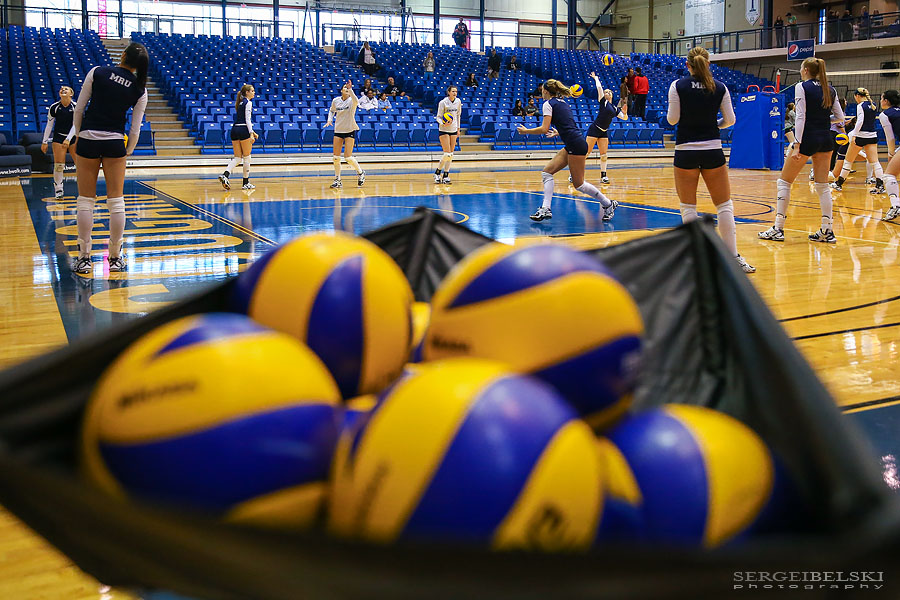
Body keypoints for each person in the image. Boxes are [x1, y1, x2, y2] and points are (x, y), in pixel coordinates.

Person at [667, 47, 753, 273]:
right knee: (724, 205)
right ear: (708, 63)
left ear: (688, 65)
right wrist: (714, 124)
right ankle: (733, 258)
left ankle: (695, 260)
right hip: (712, 150)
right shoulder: (720, 87)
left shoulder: (678, 85)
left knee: (688, 207)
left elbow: (672, 120)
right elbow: (731, 120)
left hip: (685, 150)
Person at [71, 42, 148, 275]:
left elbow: (79, 109)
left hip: (88, 138)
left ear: (123, 55)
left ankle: (84, 258)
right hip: (115, 141)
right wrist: (129, 149)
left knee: (86, 199)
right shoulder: (140, 88)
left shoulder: (98, 72)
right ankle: (115, 258)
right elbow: (135, 129)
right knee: (116, 201)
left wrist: (78, 136)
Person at [759, 57, 844, 244]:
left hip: (808, 138)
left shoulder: (802, 86)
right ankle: (827, 231)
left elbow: (801, 118)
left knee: (784, 182)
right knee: (822, 186)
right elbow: (840, 117)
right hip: (825, 139)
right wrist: (822, 121)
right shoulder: (830, 89)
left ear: (805, 70)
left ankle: (778, 229)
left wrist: (797, 144)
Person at [516, 79, 617, 222]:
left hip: (575, 145)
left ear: (545, 91)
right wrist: (559, 133)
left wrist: (526, 131)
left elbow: (544, 129)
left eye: (542, 91)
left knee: (579, 184)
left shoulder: (548, 104)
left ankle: (608, 203)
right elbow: (568, 124)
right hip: (574, 142)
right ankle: (545, 209)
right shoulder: (562, 102)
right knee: (547, 173)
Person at [832, 88, 884, 193]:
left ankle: (838, 184)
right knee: (875, 162)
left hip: (860, 136)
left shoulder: (860, 106)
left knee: (848, 161)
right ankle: (880, 186)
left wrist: (854, 135)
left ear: (857, 96)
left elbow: (860, 121)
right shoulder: (873, 104)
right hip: (872, 135)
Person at [585, 72, 627, 184]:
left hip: (603, 132)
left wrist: (625, 113)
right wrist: (596, 78)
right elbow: (599, 88)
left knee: (604, 155)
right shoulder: (603, 102)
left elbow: (624, 118)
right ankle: (573, 174)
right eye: (605, 92)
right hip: (594, 129)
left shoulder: (614, 108)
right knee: (586, 153)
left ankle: (603, 176)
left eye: (609, 92)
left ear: (612, 95)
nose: (607, 92)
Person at [325, 80, 365, 189]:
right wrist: (329, 120)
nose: (346, 89)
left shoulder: (352, 101)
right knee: (336, 157)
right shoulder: (336, 101)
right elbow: (331, 110)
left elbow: (356, 100)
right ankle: (337, 180)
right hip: (338, 130)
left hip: (350, 130)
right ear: (341, 90)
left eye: (348, 89)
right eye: (345, 88)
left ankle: (361, 173)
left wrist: (351, 89)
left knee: (348, 158)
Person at [219, 84, 258, 192]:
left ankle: (225, 174)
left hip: (235, 129)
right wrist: (250, 133)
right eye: (252, 91)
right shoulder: (248, 103)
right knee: (247, 157)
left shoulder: (240, 103)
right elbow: (247, 120)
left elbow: (241, 119)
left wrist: (252, 132)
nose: (254, 93)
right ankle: (246, 183)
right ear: (247, 93)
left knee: (237, 157)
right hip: (243, 130)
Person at [42, 85, 77, 199]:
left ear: (71, 94)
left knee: (81, 165)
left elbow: (76, 125)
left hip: (73, 137)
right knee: (59, 165)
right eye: (61, 89)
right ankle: (58, 190)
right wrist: (44, 141)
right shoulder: (54, 107)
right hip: (58, 137)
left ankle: (86, 190)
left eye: (66, 89)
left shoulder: (76, 107)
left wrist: (68, 139)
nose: (63, 89)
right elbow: (49, 125)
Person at [878, 90, 900, 220]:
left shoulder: (885, 114)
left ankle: (896, 206)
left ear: (886, 101)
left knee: (888, 176)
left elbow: (890, 138)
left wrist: (891, 153)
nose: (881, 101)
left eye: (882, 98)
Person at [434, 85, 462, 184]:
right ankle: (437, 173)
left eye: (456, 91)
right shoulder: (443, 102)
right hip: (444, 129)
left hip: (453, 129)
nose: (455, 93)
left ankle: (446, 175)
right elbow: (438, 117)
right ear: (448, 92)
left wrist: (458, 129)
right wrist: (443, 123)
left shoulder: (458, 101)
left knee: (451, 155)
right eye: (453, 91)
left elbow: (458, 115)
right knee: (447, 153)